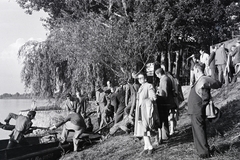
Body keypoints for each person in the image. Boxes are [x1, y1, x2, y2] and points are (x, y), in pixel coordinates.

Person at [188, 62, 221, 159]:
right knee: (197, 131)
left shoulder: (202, 81)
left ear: (197, 70)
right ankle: (201, 151)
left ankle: (204, 153)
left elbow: (205, 97)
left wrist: (202, 107)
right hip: (195, 110)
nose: (193, 72)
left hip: (197, 110)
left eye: (194, 70)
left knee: (199, 131)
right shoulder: (201, 80)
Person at [134, 72, 159, 155]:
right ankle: (146, 146)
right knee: (142, 128)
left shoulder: (149, 85)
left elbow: (153, 97)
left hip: (146, 110)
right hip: (140, 110)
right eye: (138, 78)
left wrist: (147, 103)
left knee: (146, 128)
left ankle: (150, 147)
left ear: (145, 78)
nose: (140, 80)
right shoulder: (140, 87)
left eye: (141, 78)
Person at [155, 68, 176, 143]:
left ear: (159, 74)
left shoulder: (164, 79)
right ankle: (165, 134)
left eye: (157, 75)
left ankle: (165, 135)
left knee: (163, 119)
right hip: (167, 100)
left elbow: (164, 91)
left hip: (164, 101)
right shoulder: (167, 78)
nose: (157, 77)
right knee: (166, 118)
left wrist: (159, 96)